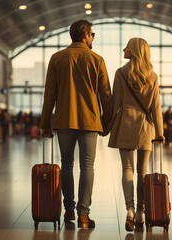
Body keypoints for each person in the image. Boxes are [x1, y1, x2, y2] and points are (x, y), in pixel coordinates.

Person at [40, 19, 112, 228]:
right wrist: (106, 122)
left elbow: (49, 95)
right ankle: (83, 213)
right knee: (87, 166)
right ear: (85, 34)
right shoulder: (97, 59)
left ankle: (69, 210)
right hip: (90, 121)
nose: (92, 38)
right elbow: (106, 95)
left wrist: (45, 123)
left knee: (67, 164)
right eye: (92, 34)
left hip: (64, 120)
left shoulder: (57, 58)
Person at [107, 38, 164, 232]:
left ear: (134, 51)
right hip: (145, 127)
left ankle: (129, 210)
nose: (124, 49)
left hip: (125, 123)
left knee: (127, 170)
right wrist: (160, 132)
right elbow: (156, 107)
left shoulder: (120, 74)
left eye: (127, 47)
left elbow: (115, 104)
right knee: (143, 171)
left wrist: (107, 125)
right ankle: (141, 212)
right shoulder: (153, 77)